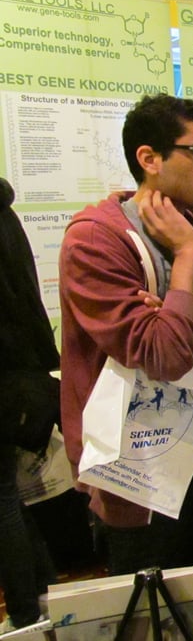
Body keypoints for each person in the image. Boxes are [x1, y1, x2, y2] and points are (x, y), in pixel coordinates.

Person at [59, 94, 193, 575]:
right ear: (149, 159)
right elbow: (164, 357)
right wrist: (186, 255)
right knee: (151, 616)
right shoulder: (95, 238)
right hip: (138, 476)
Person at [0, 178, 57, 632]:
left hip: (5, 373)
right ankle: (43, 595)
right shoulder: (6, 214)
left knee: (2, 502)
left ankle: (25, 616)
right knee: (9, 499)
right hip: (21, 372)